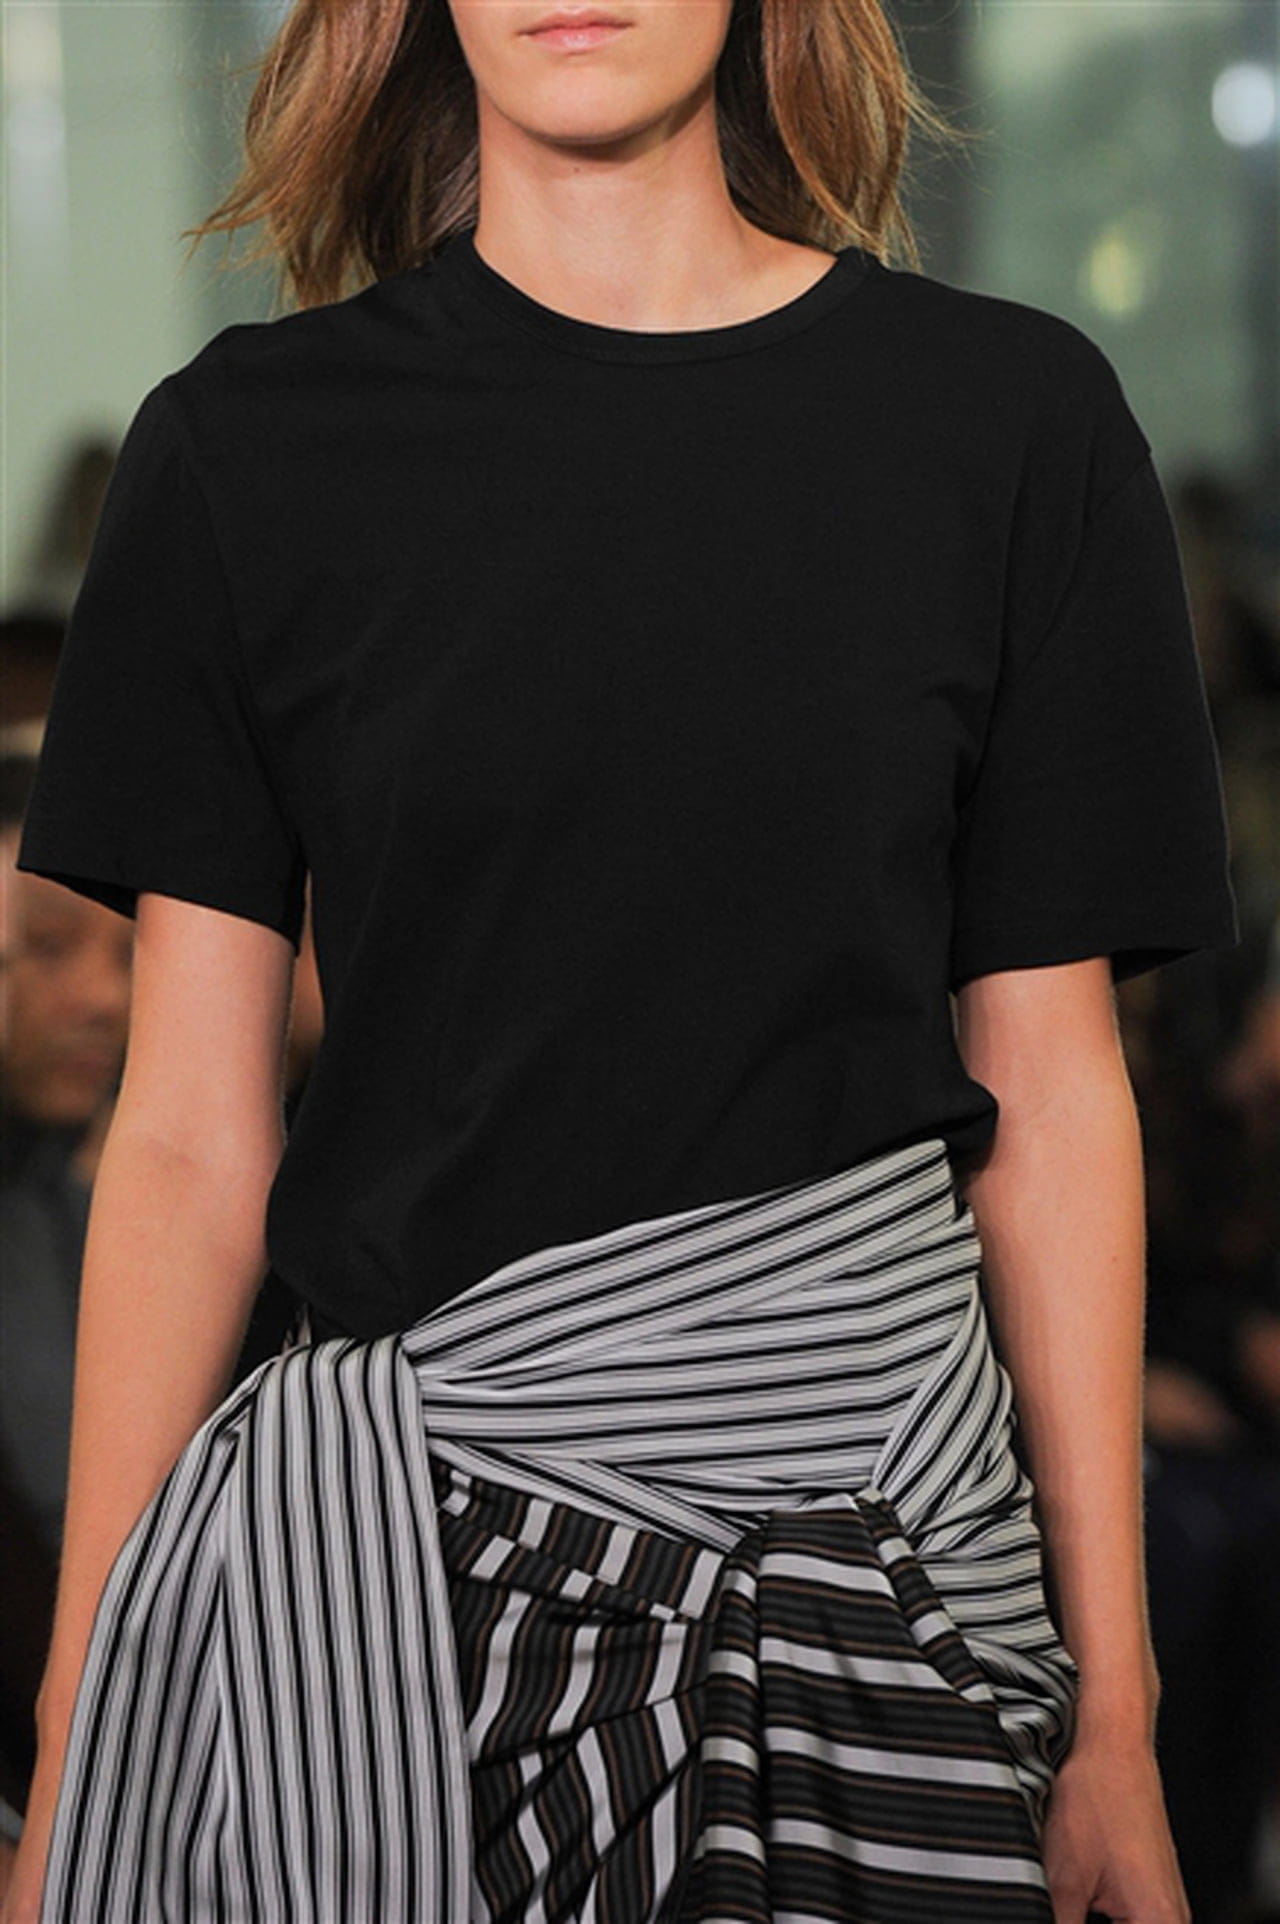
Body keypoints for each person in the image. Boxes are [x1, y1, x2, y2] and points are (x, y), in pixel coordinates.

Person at [1, 2, 1239, 1920]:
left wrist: (1120, 1721)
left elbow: (1055, 1097)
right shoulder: (248, 450)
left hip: (889, 1573)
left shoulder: (1007, 423)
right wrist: (90, 1727)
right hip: (409, 1614)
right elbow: (184, 1135)